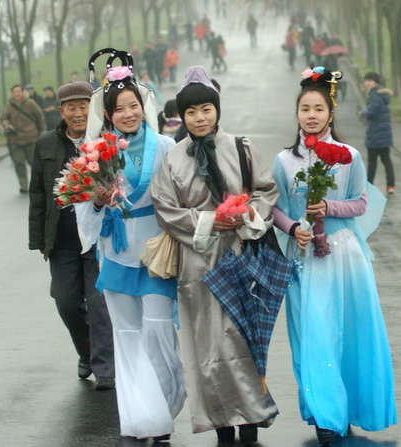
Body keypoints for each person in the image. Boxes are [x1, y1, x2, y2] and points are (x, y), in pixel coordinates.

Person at [151, 66, 279, 445]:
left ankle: (251, 417)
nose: (200, 118)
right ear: (183, 116)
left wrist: (244, 215)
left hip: (240, 253)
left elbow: (265, 189)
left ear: (217, 109)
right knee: (206, 344)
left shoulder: (241, 146)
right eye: (191, 112)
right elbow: (166, 209)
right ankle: (221, 421)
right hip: (198, 260)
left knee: (242, 338)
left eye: (206, 109)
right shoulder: (173, 159)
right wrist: (209, 221)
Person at [271, 67, 397, 445]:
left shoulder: (350, 156)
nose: (312, 115)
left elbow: (361, 202)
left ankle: (349, 408)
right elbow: (274, 209)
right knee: (314, 333)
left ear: (330, 113)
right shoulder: (283, 161)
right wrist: (294, 228)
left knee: (352, 332)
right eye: (305, 108)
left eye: (319, 108)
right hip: (304, 255)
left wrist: (328, 206)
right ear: (296, 113)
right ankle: (326, 416)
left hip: (345, 255)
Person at [74, 60, 185, 441]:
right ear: (107, 115)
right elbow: (83, 207)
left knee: (159, 331)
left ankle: (166, 404)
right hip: (117, 250)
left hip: (157, 250)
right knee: (127, 335)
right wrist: (100, 202)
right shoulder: (96, 153)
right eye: (119, 109)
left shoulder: (168, 147)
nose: (127, 114)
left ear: (143, 105)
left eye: (133, 105)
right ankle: (142, 418)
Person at [28, 81, 115, 391]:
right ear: (61, 111)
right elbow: (37, 192)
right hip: (63, 239)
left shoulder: (104, 141)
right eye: (72, 108)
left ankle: (106, 368)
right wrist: (39, 239)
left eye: (83, 107)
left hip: (97, 238)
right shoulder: (45, 144)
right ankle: (88, 352)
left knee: (98, 302)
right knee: (65, 301)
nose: (78, 114)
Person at [2, 85, 45, 193]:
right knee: (18, 162)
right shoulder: (9, 106)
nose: (17, 94)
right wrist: (6, 124)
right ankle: (23, 185)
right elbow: (4, 118)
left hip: (31, 138)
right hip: (15, 139)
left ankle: (37, 183)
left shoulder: (30, 103)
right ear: (12, 94)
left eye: (18, 91)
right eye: (14, 92)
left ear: (22, 93)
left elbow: (39, 116)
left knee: (34, 163)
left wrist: (41, 131)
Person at [358, 72, 395, 195]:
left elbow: (372, 112)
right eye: (366, 80)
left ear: (376, 82)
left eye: (370, 80)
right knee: (386, 160)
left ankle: (369, 186)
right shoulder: (383, 95)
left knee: (372, 162)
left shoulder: (374, 95)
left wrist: (363, 113)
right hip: (385, 134)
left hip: (375, 134)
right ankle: (391, 185)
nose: (367, 83)